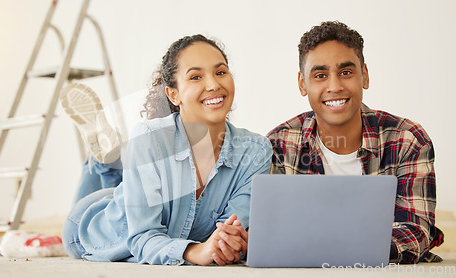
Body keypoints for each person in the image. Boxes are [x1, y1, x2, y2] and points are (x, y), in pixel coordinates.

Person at [61, 34, 272, 265]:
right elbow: (142, 237)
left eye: (220, 72)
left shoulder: (256, 150)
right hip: (92, 225)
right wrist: (196, 252)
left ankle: (110, 159)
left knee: (129, 187)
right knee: (117, 197)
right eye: (196, 77)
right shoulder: (149, 137)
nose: (213, 84)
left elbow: (230, 234)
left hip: (134, 199)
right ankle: (104, 162)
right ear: (173, 94)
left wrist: (226, 245)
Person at [267, 21, 444, 264]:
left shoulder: (407, 140)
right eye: (320, 75)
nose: (335, 86)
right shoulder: (278, 145)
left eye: (346, 72)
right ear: (302, 83)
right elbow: (270, 233)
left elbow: (415, 234)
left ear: (365, 75)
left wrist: (328, 248)